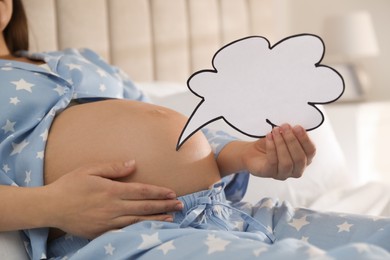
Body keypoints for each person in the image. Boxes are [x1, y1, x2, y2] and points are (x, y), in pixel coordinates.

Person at [1, 1, 389, 259]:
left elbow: (175, 126)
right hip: (121, 237)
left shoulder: (81, 61)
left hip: (224, 210)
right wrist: (54, 206)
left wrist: (245, 156)